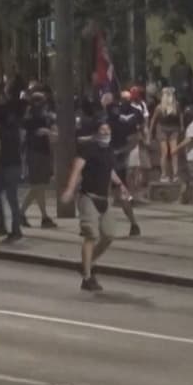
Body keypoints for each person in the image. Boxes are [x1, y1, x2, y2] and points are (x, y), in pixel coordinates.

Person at [61, 119, 131, 292]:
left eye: (108, 130)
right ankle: (87, 277)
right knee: (91, 235)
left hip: (103, 199)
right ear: (96, 132)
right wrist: (70, 190)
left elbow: (110, 171)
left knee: (109, 234)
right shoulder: (89, 149)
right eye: (102, 130)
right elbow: (77, 169)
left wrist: (121, 185)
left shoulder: (109, 151)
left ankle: (87, 263)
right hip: (88, 198)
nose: (106, 133)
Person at [0, 84, 25, 242]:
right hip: (8, 165)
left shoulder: (4, 129)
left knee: (10, 198)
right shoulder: (10, 125)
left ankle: (15, 230)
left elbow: (2, 149)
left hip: (10, 165)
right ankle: (4, 226)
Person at [103, 92, 142, 236]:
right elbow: (135, 140)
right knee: (121, 193)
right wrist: (122, 152)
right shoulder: (123, 122)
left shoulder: (103, 122)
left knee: (100, 193)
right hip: (118, 162)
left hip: (105, 161)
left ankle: (97, 224)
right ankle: (133, 223)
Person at [20, 92, 58, 228]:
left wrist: (50, 131)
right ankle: (21, 213)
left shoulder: (41, 117)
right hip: (36, 154)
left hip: (41, 153)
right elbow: (45, 132)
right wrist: (49, 131)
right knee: (37, 186)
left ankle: (44, 217)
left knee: (39, 187)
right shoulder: (31, 118)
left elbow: (52, 133)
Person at [150, 87, 183, 182]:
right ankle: (164, 175)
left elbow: (180, 115)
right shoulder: (159, 107)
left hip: (174, 128)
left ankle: (175, 174)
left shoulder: (176, 105)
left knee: (174, 151)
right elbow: (153, 120)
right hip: (162, 129)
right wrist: (151, 132)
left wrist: (182, 126)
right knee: (164, 152)